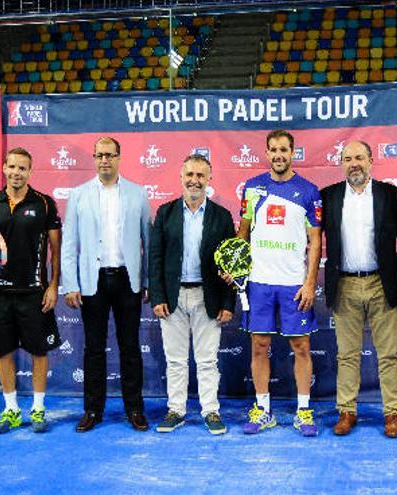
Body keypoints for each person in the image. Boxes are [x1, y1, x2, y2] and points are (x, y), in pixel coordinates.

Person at [230, 129, 322, 436]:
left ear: (293, 152)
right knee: (259, 346)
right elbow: (243, 233)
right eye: (273, 150)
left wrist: (309, 283)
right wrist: (235, 266)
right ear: (267, 153)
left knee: (301, 346)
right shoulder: (253, 188)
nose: (279, 155)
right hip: (259, 282)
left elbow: (316, 240)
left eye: (284, 149)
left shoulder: (309, 191)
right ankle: (263, 409)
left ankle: (304, 411)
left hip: (294, 283)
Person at [320, 140, 397, 438]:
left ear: (371, 160)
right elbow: (305, 237)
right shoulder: (329, 197)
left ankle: (392, 414)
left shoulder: (390, 194)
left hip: (380, 282)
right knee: (347, 355)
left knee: (388, 354)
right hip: (343, 283)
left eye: (359, 157)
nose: (354, 163)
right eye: (348, 158)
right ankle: (347, 411)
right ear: (342, 162)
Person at [61, 136, 151, 433]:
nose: (104, 161)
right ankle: (92, 410)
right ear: (94, 158)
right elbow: (69, 243)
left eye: (110, 155)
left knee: (130, 347)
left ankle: (134, 409)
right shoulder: (79, 195)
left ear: (119, 157)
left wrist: (147, 280)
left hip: (128, 278)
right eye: (99, 155)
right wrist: (70, 283)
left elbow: (147, 243)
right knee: (94, 348)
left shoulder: (138, 194)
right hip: (92, 280)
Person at [0, 147, 62, 434]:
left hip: (34, 293)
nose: (16, 173)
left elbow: (56, 250)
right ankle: (11, 410)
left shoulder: (45, 204)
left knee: (39, 352)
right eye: (12, 167)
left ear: (30, 172)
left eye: (22, 168)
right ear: (4, 168)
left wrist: (53, 285)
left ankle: (37, 409)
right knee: (3, 352)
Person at [148, 154, 236, 435]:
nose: (194, 180)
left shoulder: (221, 216)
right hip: (173, 297)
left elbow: (229, 265)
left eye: (200, 175)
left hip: (206, 296)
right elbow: (156, 258)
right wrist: (158, 296)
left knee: (208, 360)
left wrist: (227, 302)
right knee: (175, 360)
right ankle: (176, 410)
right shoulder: (165, 212)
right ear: (181, 176)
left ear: (209, 179)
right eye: (190, 175)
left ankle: (211, 410)